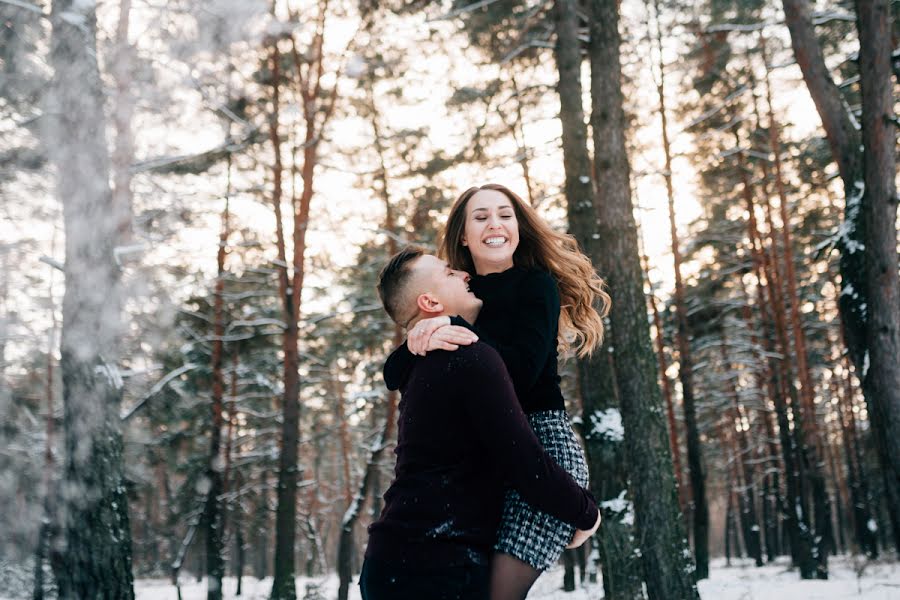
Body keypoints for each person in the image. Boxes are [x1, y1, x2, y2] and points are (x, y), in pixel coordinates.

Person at [383, 184, 611, 600]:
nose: (496, 225)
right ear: (464, 235)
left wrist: (456, 327)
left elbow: (520, 374)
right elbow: (395, 372)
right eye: (481, 216)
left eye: (505, 215)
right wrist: (420, 337)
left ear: (519, 228)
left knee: (500, 594)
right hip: (485, 458)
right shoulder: (456, 289)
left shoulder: (534, 287)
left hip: (541, 443)